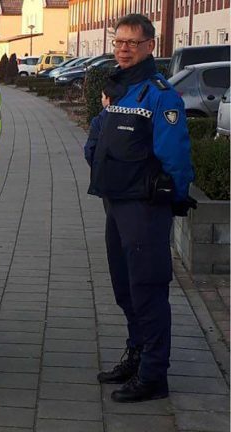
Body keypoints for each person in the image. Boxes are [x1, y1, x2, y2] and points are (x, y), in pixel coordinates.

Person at [88, 14, 195, 403]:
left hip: (144, 207)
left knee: (147, 289)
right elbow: (98, 136)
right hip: (115, 202)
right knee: (125, 288)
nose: (124, 48)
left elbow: (176, 154)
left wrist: (177, 195)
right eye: (119, 42)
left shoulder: (160, 94)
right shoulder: (119, 90)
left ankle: (153, 375)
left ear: (150, 45)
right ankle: (136, 355)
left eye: (133, 42)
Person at [84, 88, 113, 166]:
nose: (101, 100)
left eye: (102, 97)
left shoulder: (99, 120)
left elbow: (90, 149)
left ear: (108, 99)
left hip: (105, 168)